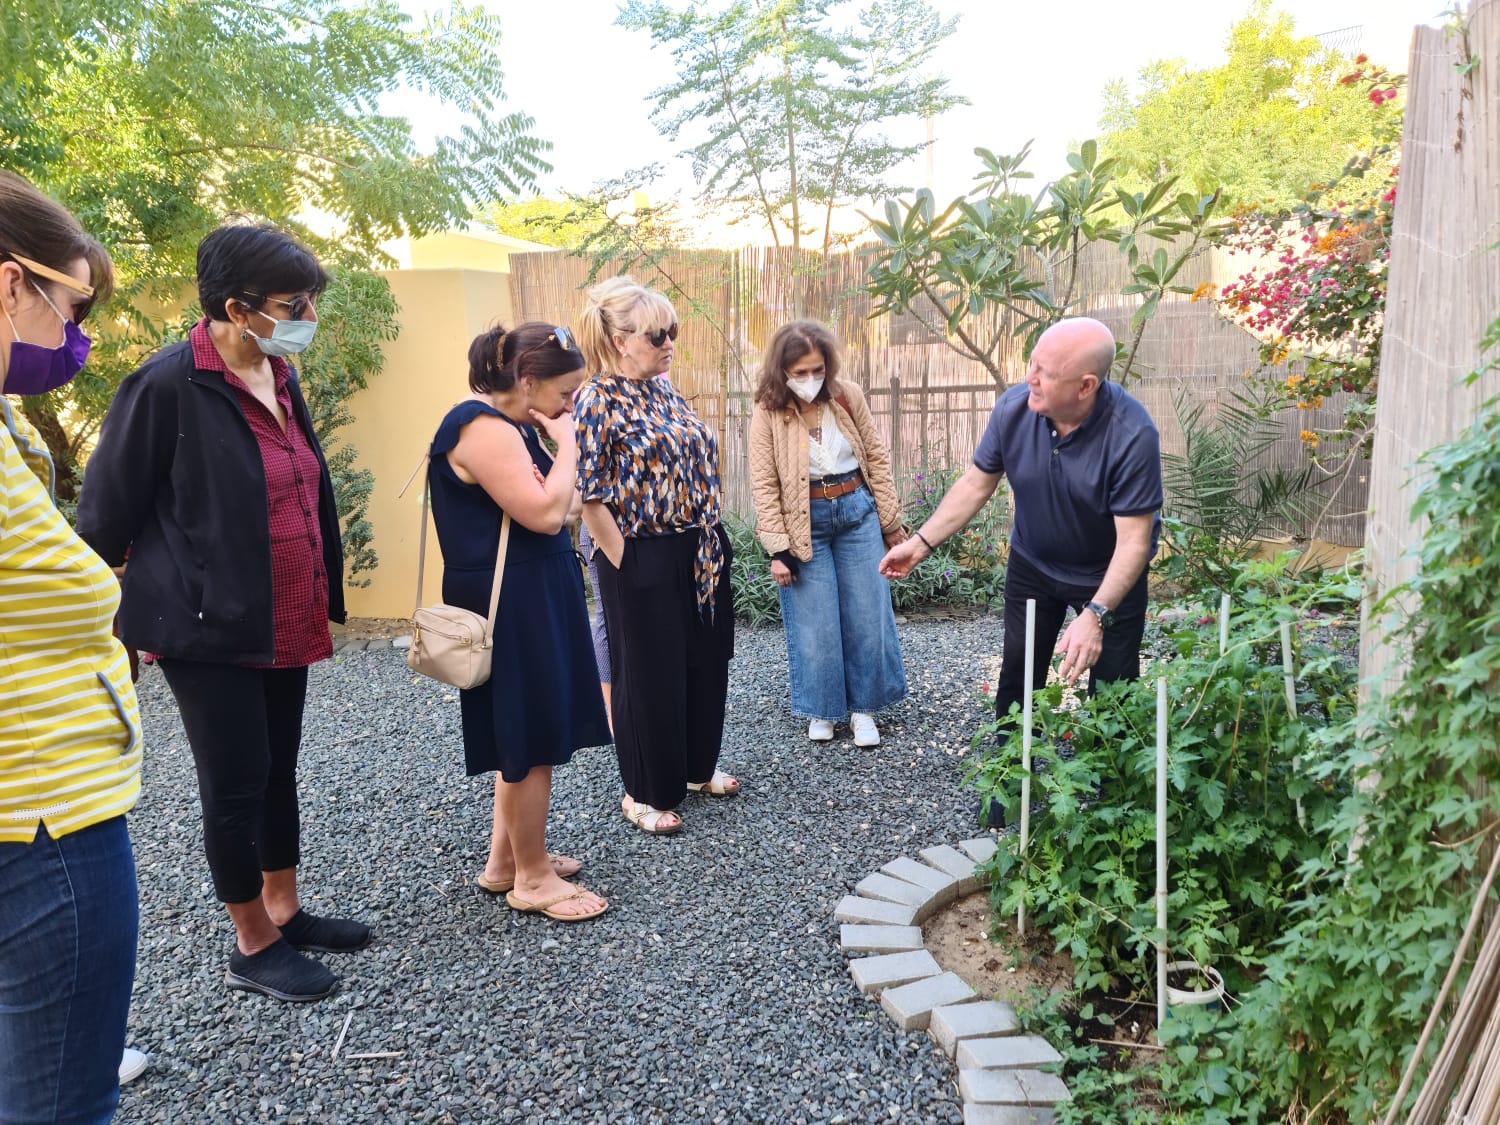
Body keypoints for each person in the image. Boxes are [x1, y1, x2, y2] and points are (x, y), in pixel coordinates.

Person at [77, 221, 369, 1004]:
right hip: (206, 627)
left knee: (277, 768)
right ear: (238, 308)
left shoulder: (279, 371)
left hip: (284, 612)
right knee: (235, 780)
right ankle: (251, 941)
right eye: (294, 303)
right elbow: (103, 517)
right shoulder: (164, 385)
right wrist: (109, 625)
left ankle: (285, 907)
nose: (308, 315)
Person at [878, 317, 1163, 823]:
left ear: (1085, 386)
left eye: (1044, 372)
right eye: (1031, 364)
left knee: (1114, 689)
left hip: (1108, 576)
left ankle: (1114, 807)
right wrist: (920, 543)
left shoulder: (1131, 433)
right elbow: (976, 483)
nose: (1029, 377)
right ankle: (1010, 783)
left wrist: (1096, 614)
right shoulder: (1015, 408)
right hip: (1033, 564)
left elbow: (1134, 543)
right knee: (1019, 674)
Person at [0, 169, 142, 1123]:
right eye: (71, 309)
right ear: (12, 282)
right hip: (40, 815)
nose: (74, 339)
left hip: (40, 803)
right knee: (59, 1101)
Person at [428, 322, 611, 921]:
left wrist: (558, 468)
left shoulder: (512, 426)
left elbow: (563, 504)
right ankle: (532, 879)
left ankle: (505, 861)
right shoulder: (481, 428)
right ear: (527, 381)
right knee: (528, 738)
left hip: (529, 589)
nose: (570, 405)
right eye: (565, 392)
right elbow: (546, 513)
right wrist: (571, 445)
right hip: (513, 598)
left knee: (526, 731)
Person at [574, 277, 738, 836]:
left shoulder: (665, 392)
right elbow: (590, 496)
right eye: (656, 334)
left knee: (703, 661)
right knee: (647, 673)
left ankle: (695, 768)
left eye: (673, 331)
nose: (669, 343)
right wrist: (627, 562)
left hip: (701, 544)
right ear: (619, 340)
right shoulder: (597, 399)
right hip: (640, 549)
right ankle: (644, 791)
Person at [748, 319, 908, 747]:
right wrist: (778, 549)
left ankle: (864, 709)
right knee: (815, 621)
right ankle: (823, 709)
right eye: (800, 372)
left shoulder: (846, 396)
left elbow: (876, 457)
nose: (810, 379)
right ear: (782, 370)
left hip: (857, 512)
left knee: (867, 614)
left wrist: (891, 522)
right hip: (806, 523)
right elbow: (764, 482)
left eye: (817, 369)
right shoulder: (767, 411)